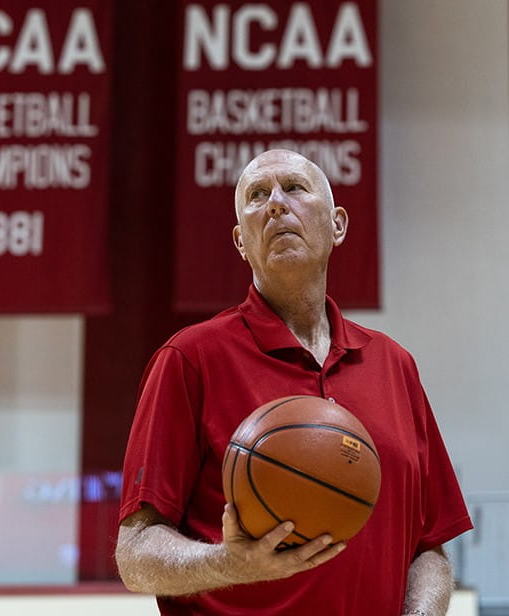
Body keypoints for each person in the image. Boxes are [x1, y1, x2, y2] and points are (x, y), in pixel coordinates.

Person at [115, 149, 473, 615]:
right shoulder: (189, 359)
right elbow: (136, 553)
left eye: (295, 189)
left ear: (338, 225)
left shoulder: (394, 365)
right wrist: (229, 563)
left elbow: (430, 548)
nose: (276, 205)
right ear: (241, 241)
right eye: (257, 196)